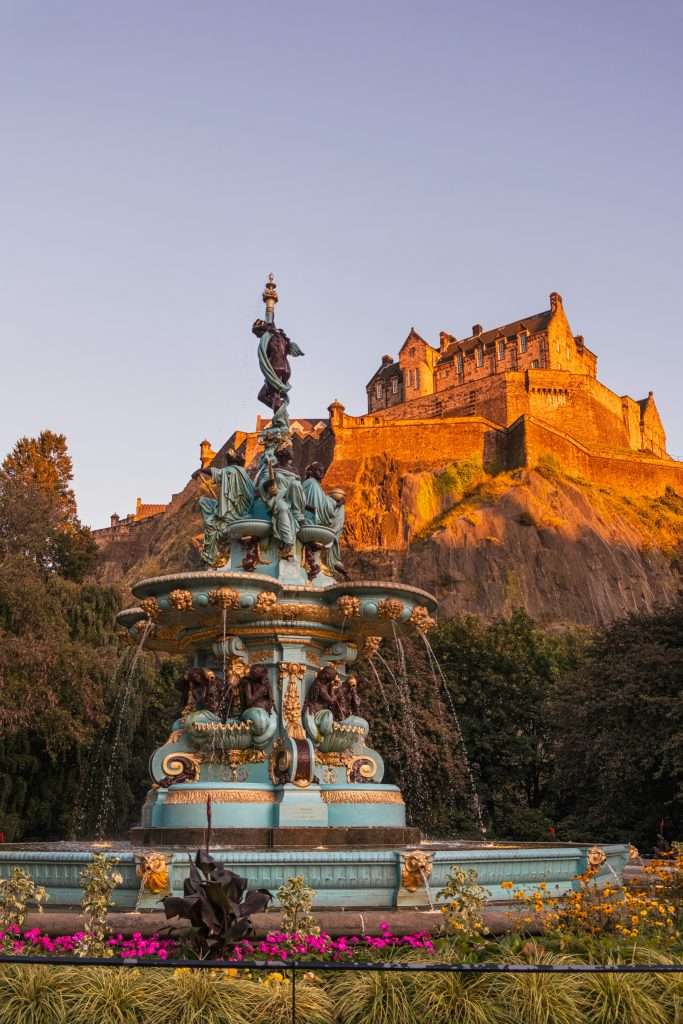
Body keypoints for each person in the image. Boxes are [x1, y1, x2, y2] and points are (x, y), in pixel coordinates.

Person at [195, 449, 254, 566]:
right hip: (241, 510)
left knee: (211, 527)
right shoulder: (245, 474)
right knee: (204, 501)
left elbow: (214, 472)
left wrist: (200, 470)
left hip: (232, 513)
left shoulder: (230, 471)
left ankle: (209, 557)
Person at [255, 446, 305, 558]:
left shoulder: (294, 471)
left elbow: (300, 489)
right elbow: (263, 482)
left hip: (293, 498)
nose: (290, 453)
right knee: (282, 508)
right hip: (279, 497)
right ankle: (288, 542)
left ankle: (298, 515)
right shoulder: (273, 468)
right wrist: (269, 487)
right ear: (281, 456)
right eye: (286, 451)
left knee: (296, 484)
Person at [303, 461, 346, 572]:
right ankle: (333, 560)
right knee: (339, 509)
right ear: (311, 472)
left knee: (340, 510)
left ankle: (333, 559)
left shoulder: (315, 485)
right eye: (318, 470)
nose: (322, 473)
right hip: (311, 517)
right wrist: (336, 504)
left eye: (323, 471)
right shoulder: (311, 483)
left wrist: (335, 503)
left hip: (315, 516)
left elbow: (322, 502)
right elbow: (319, 506)